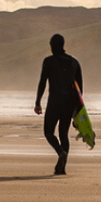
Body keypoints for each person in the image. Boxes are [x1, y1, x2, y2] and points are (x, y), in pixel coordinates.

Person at [34, 33, 83, 175]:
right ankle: (62, 168)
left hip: (54, 101)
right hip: (69, 103)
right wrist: (78, 110)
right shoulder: (74, 62)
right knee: (63, 134)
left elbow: (42, 83)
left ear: (52, 46)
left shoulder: (49, 61)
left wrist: (37, 102)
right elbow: (80, 90)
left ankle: (60, 152)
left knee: (49, 132)